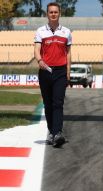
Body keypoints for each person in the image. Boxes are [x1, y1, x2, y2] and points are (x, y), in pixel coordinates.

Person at [34, 2, 72, 147]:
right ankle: (51, 132)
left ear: (59, 13)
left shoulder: (66, 32)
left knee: (58, 102)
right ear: (47, 14)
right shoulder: (40, 31)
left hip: (60, 71)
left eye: (56, 12)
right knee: (48, 104)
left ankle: (57, 133)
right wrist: (39, 60)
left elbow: (68, 53)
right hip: (45, 71)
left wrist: (68, 71)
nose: (53, 14)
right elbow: (37, 49)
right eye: (51, 12)